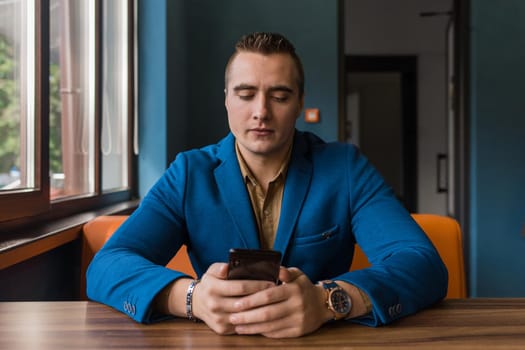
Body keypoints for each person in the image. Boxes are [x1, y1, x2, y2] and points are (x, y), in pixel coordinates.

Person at [87, 32, 447, 338]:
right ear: (226, 98)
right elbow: (107, 266)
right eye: (245, 95)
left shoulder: (345, 168)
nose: (261, 111)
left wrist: (329, 301)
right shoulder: (188, 173)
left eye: (279, 96)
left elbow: (422, 264)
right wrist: (192, 297)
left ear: (300, 103)